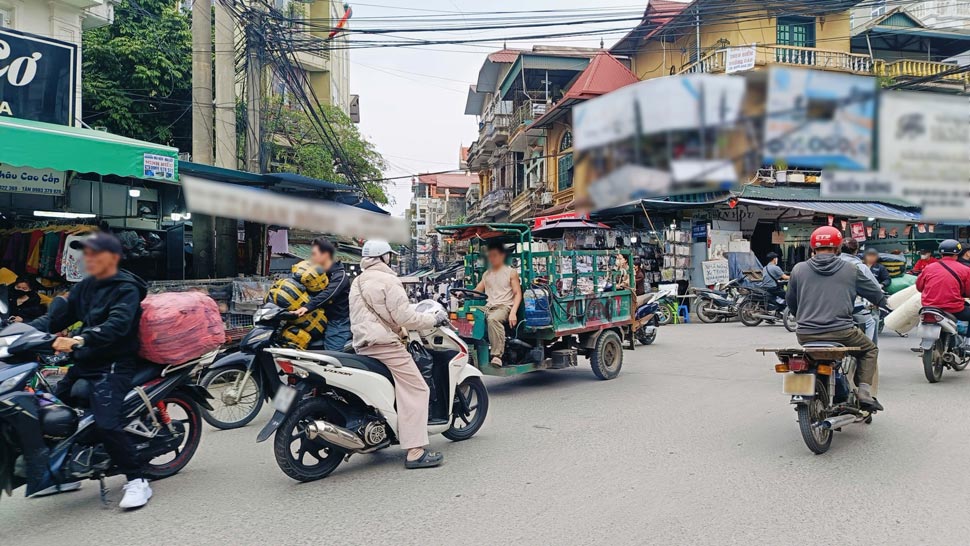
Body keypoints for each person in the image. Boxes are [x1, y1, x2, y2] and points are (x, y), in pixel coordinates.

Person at [29, 231, 152, 509]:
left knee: (106, 422)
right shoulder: (86, 286)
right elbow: (56, 317)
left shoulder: (125, 287)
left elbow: (118, 324)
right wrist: (19, 333)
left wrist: (82, 338)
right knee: (57, 414)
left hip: (113, 363)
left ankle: (136, 480)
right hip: (85, 362)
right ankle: (67, 472)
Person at [349, 240, 448, 469]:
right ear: (383, 257)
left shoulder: (358, 281)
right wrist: (433, 319)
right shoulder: (389, 280)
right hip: (385, 345)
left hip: (361, 344)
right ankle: (415, 450)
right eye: (389, 256)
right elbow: (405, 318)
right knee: (417, 388)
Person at [786, 226, 889, 411]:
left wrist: (803, 319)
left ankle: (804, 392)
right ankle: (864, 391)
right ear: (838, 247)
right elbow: (875, 294)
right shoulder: (850, 269)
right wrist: (884, 302)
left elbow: (791, 302)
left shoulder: (798, 269)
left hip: (805, 334)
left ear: (812, 247)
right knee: (870, 349)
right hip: (841, 333)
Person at [295, 238, 352, 351]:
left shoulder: (339, 276)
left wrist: (307, 307)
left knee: (332, 358)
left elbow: (328, 294)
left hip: (337, 323)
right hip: (319, 320)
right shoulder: (317, 273)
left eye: (315, 253)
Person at [472, 242, 522, 367]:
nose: (491, 258)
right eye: (489, 256)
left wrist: (513, 312)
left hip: (504, 307)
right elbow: (477, 292)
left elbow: (517, 294)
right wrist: (462, 294)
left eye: (494, 255)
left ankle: (497, 355)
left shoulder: (511, 272)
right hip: (488, 306)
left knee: (493, 319)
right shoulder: (486, 274)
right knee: (466, 313)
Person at [916, 240, 970, 321]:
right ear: (957, 254)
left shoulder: (928, 268)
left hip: (928, 308)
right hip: (953, 309)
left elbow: (919, 287)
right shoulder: (965, 270)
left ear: (941, 253)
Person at [840, 238, 880, 340]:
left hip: (830, 309)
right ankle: (870, 351)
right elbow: (874, 287)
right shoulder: (860, 267)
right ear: (856, 251)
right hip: (853, 307)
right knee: (872, 321)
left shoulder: (831, 265)